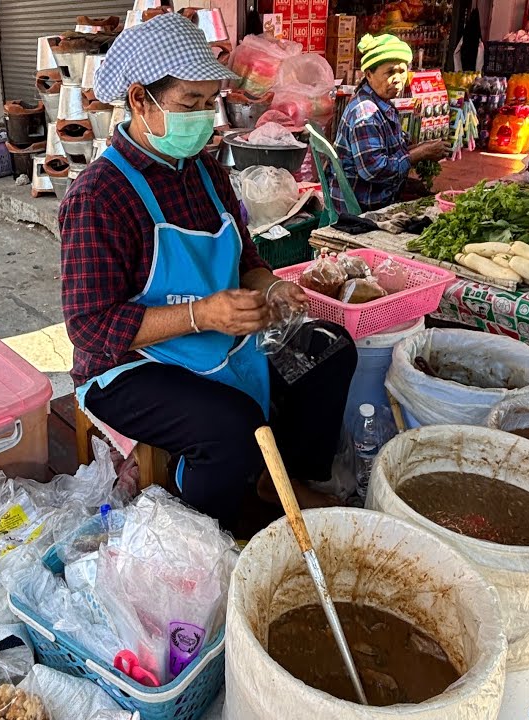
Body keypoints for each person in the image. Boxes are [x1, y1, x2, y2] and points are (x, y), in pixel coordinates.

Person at [59, 12, 357, 531]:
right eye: (188, 105)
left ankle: (281, 477)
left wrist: (271, 287)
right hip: (127, 364)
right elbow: (90, 328)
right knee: (230, 427)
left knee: (329, 348)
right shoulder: (98, 196)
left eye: (207, 103)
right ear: (139, 100)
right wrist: (202, 315)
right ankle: (196, 524)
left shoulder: (206, 170)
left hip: (217, 338)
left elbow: (245, 259)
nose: (204, 118)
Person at [329, 34, 450, 213]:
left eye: (402, 72)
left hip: (377, 195)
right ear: (369, 75)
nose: (397, 79)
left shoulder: (382, 103)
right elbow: (374, 170)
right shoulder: (365, 113)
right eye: (390, 72)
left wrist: (422, 148)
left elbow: (392, 151)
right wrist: (420, 154)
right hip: (362, 206)